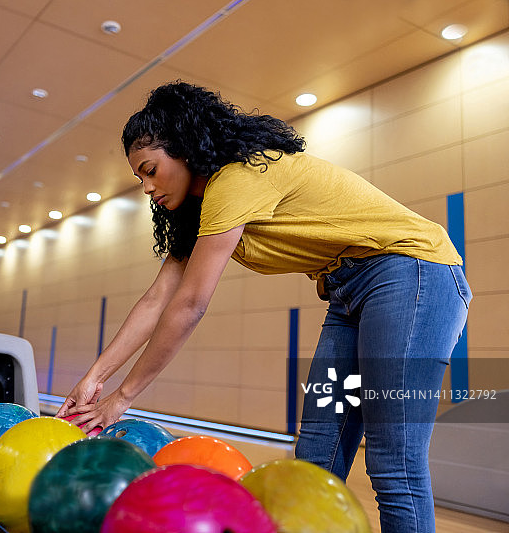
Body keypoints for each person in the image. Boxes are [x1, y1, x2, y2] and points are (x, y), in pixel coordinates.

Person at [55, 81, 470, 533]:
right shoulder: (199, 211)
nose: (148, 187)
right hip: (346, 291)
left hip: (412, 274)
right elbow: (158, 299)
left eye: (152, 170)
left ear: (187, 150)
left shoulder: (236, 179)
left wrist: (122, 398)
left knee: (394, 457)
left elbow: (190, 304)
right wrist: (94, 380)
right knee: (315, 457)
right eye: (140, 178)